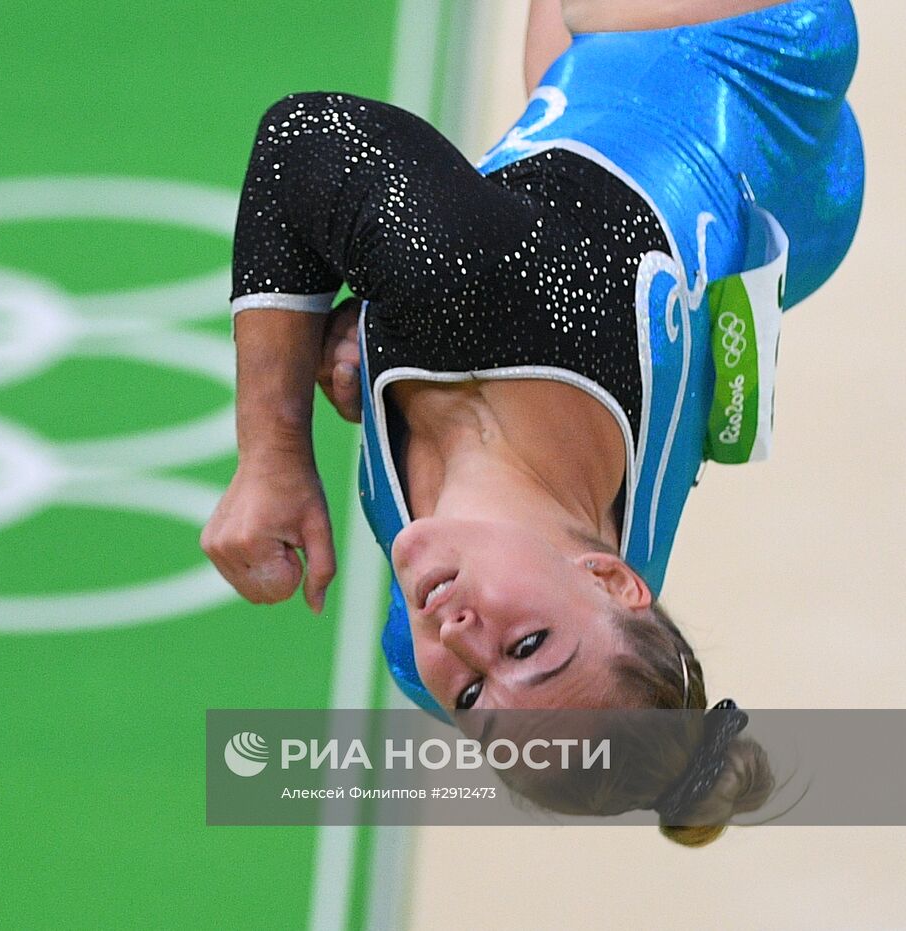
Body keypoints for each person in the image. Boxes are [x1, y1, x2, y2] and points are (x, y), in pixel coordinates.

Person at [200, 0, 863, 844]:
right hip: (756, 50)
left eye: (475, 702)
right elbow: (304, 141)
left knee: (557, 72)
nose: (461, 641)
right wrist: (273, 448)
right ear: (613, 577)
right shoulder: (475, 284)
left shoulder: (424, 654)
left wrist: (368, 318)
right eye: (527, 645)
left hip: (761, 218)